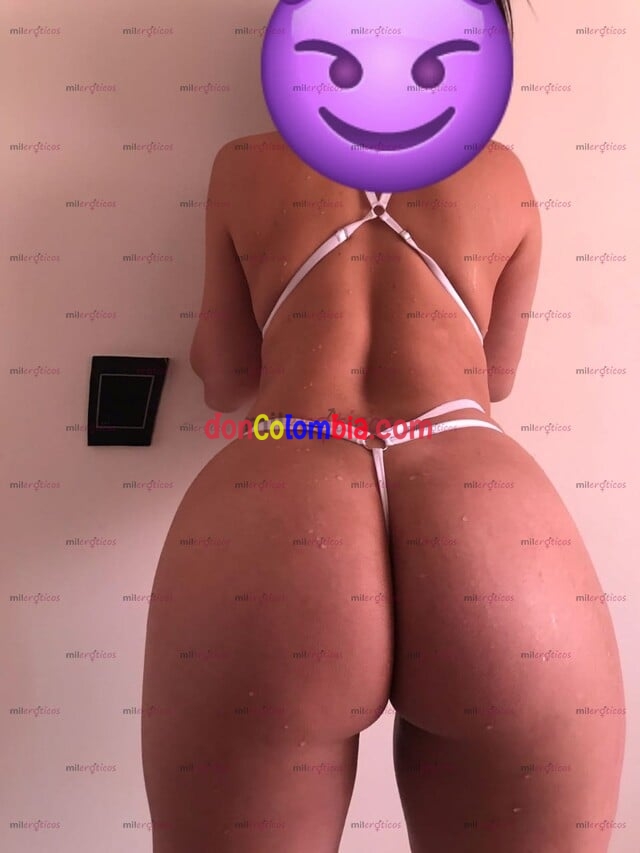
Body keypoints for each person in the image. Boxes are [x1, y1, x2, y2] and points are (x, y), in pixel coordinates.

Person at [141, 4, 625, 850]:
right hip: (487, 522)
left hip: (282, 490)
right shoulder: (504, 175)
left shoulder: (245, 164)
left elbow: (225, 375)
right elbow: (497, 381)